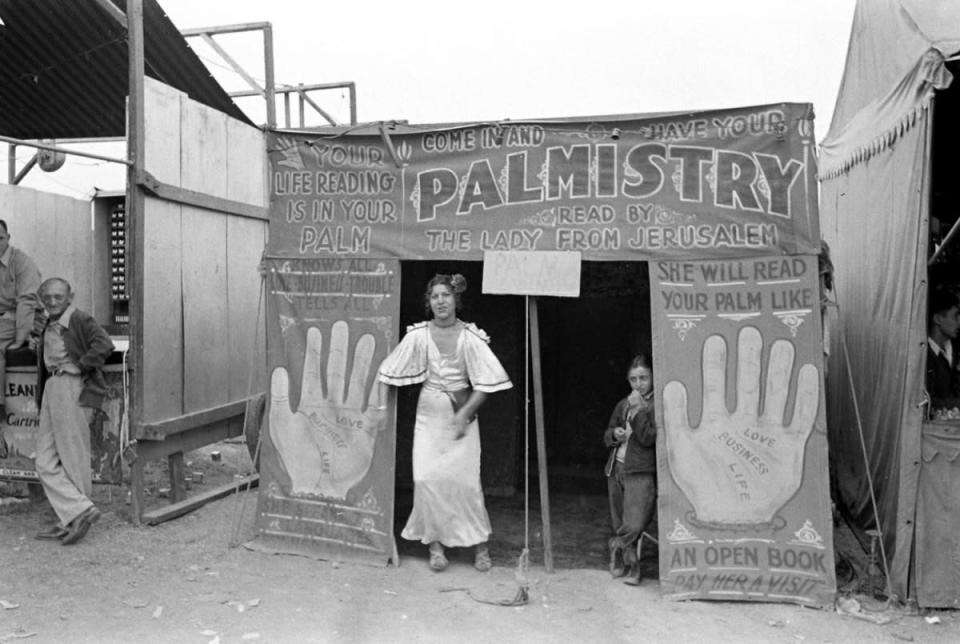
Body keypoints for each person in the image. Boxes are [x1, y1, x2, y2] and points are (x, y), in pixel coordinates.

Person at [378, 273, 512, 572]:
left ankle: (480, 547)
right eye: (435, 296)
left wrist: (465, 413)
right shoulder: (418, 336)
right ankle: (435, 547)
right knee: (426, 480)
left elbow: (488, 383)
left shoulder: (470, 337)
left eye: (446, 295)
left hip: (462, 416)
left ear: (456, 300)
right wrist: (378, 408)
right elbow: (387, 372)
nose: (440, 301)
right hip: (429, 417)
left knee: (465, 484)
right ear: (429, 302)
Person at [31, 277, 115, 545]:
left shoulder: (79, 318)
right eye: (48, 298)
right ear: (42, 299)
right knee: (44, 459)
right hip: (53, 386)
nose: (53, 301)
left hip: (72, 387)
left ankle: (76, 517)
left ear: (70, 297)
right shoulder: (49, 323)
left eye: (58, 296)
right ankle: (77, 511)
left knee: (72, 456)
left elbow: (104, 343)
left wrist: (81, 365)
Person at [603, 353, 657, 585]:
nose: (638, 384)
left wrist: (637, 412)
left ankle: (616, 546)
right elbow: (607, 433)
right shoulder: (623, 404)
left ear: (653, 377)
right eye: (633, 379)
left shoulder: (655, 405)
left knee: (634, 524)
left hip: (641, 471)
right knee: (620, 522)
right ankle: (630, 564)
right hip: (617, 468)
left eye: (643, 378)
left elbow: (648, 438)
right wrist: (615, 434)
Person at [0, 220, 41, 417]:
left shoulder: (21, 262)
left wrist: (19, 338)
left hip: (26, 317)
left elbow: (27, 301)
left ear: (8, 238)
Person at [926, 287, 960, 416]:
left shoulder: (955, 350)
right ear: (938, 319)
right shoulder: (924, 356)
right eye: (955, 316)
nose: (959, 323)